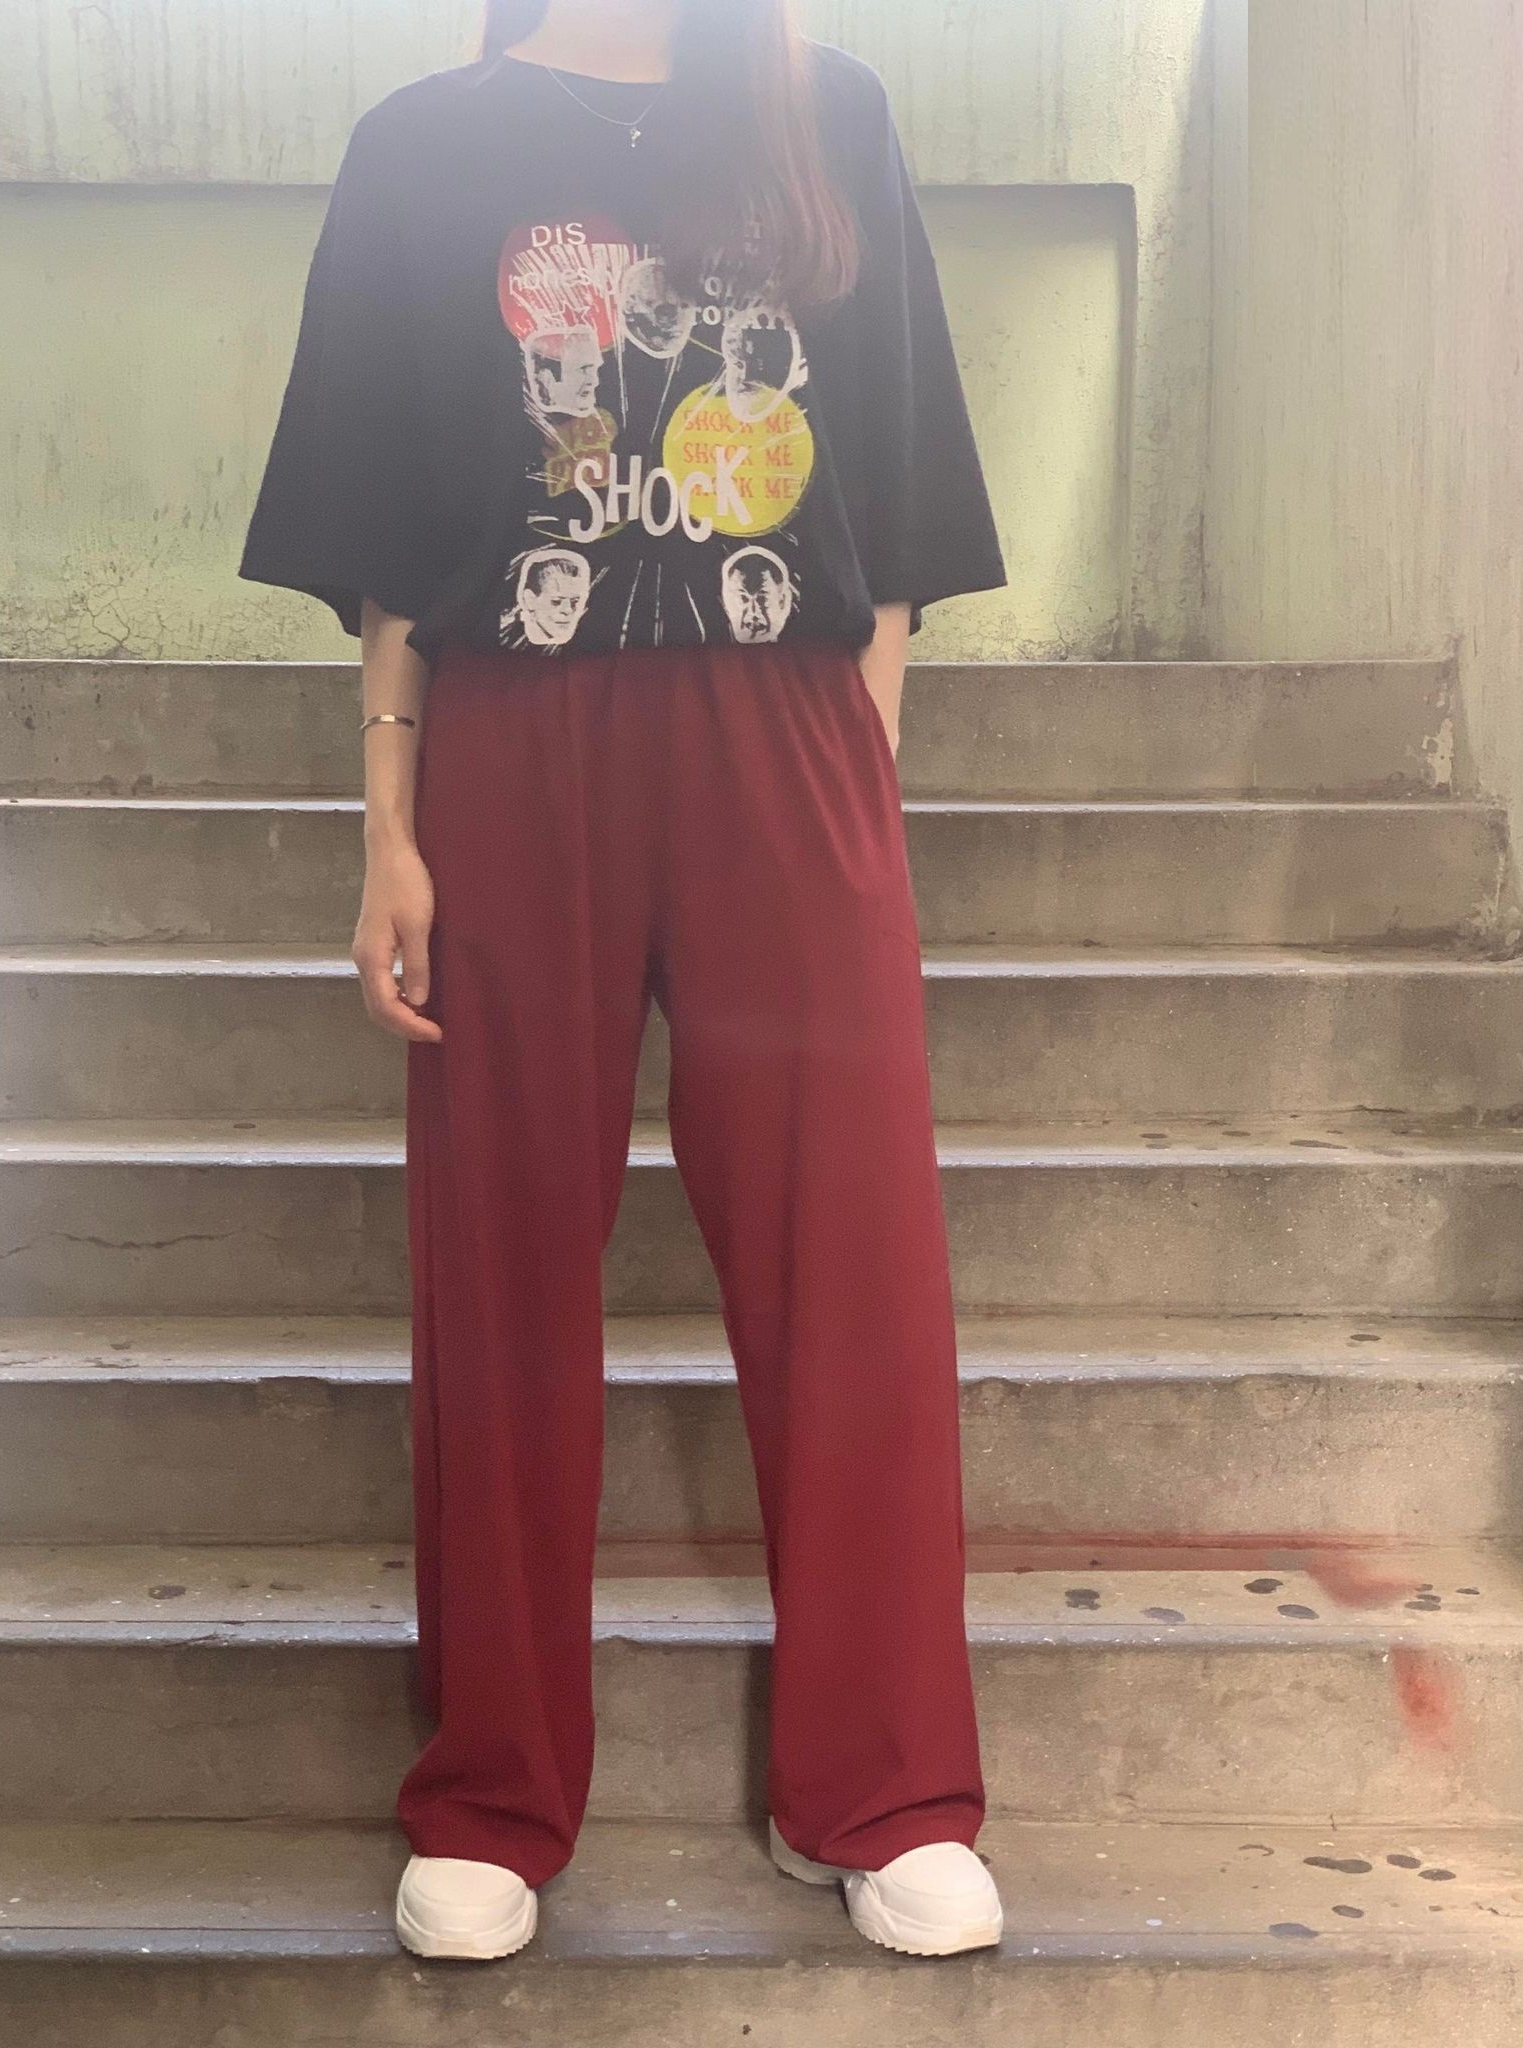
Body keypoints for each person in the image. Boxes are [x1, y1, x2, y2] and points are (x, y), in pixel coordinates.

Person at [239, 0, 1007, 1965]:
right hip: (515, 735)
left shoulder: (826, 109)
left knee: (853, 1261)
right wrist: (388, 823)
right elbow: (395, 533)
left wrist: (858, 769)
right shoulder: (424, 146)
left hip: (789, 731)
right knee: (497, 1258)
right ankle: (494, 1790)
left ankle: (887, 1786)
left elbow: (896, 502)